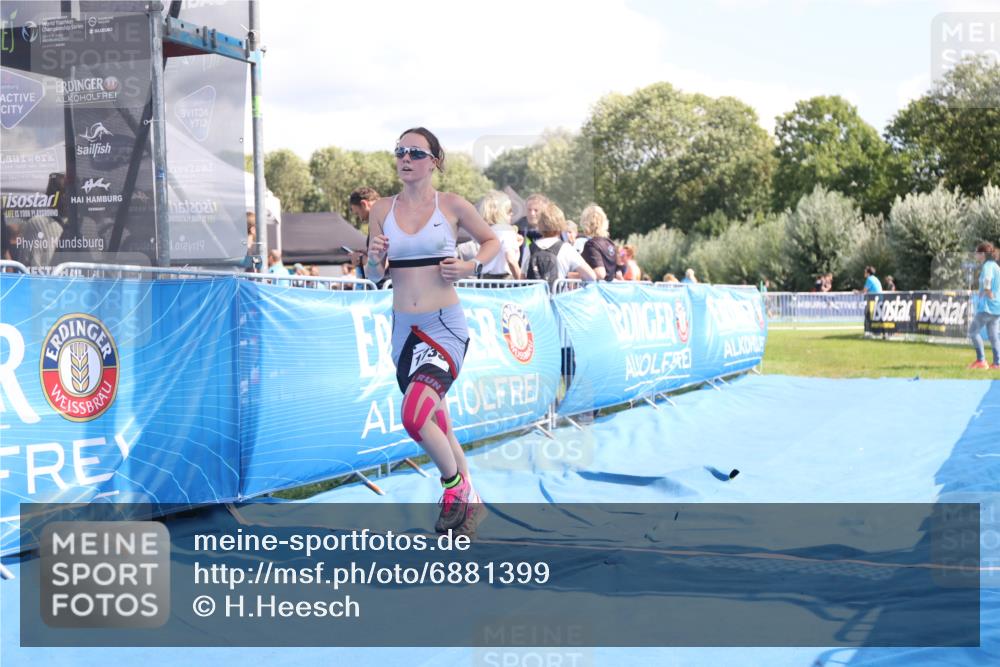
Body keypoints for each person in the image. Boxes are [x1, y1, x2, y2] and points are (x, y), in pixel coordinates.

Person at [365, 127, 499, 533]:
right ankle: (470, 503)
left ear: (435, 161)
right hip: (403, 332)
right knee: (439, 426)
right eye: (400, 151)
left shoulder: (453, 206)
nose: (405, 159)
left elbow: (492, 242)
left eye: (416, 153)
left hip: (444, 328)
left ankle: (454, 486)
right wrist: (373, 260)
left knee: (414, 414)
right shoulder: (380, 210)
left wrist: (468, 266)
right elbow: (374, 277)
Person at [526, 203, 597, 286]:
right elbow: (591, 276)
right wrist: (570, 276)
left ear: (540, 224)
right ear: (561, 224)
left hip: (535, 298)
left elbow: (522, 278)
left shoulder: (530, 248)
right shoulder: (566, 248)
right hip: (557, 297)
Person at [457, 190, 521, 279]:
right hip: (504, 280)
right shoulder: (507, 231)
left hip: (484, 279)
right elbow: (510, 259)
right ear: (501, 212)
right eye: (509, 210)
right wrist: (520, 279)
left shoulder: (484, 231)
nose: (512, 213)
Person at [968, 242, 1000, 370]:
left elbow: (987, 280)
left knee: (973, 332)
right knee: (993, 336)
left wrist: (987, 292)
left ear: (983, 254)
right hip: (997, 307)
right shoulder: (996, 266)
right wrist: (984, 292)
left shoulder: (987, 266)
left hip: (987, 307)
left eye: (977, 252)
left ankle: (981, 361)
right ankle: (997, 363)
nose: (976, 255)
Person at [349, 187, 381, 280]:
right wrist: (367, 253)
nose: (361, 218)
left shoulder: (382, 222)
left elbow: (381, 266)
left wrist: (360, 259)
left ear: (364, 204)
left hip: (387, 290)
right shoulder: (387, 217)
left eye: (358, 213)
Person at [579, 204, 617, 282]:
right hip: (607, 291)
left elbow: (600, 273)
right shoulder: (610, 243)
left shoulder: (591, 244)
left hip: (595, 291)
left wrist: (570, 275)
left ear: (586, 223)